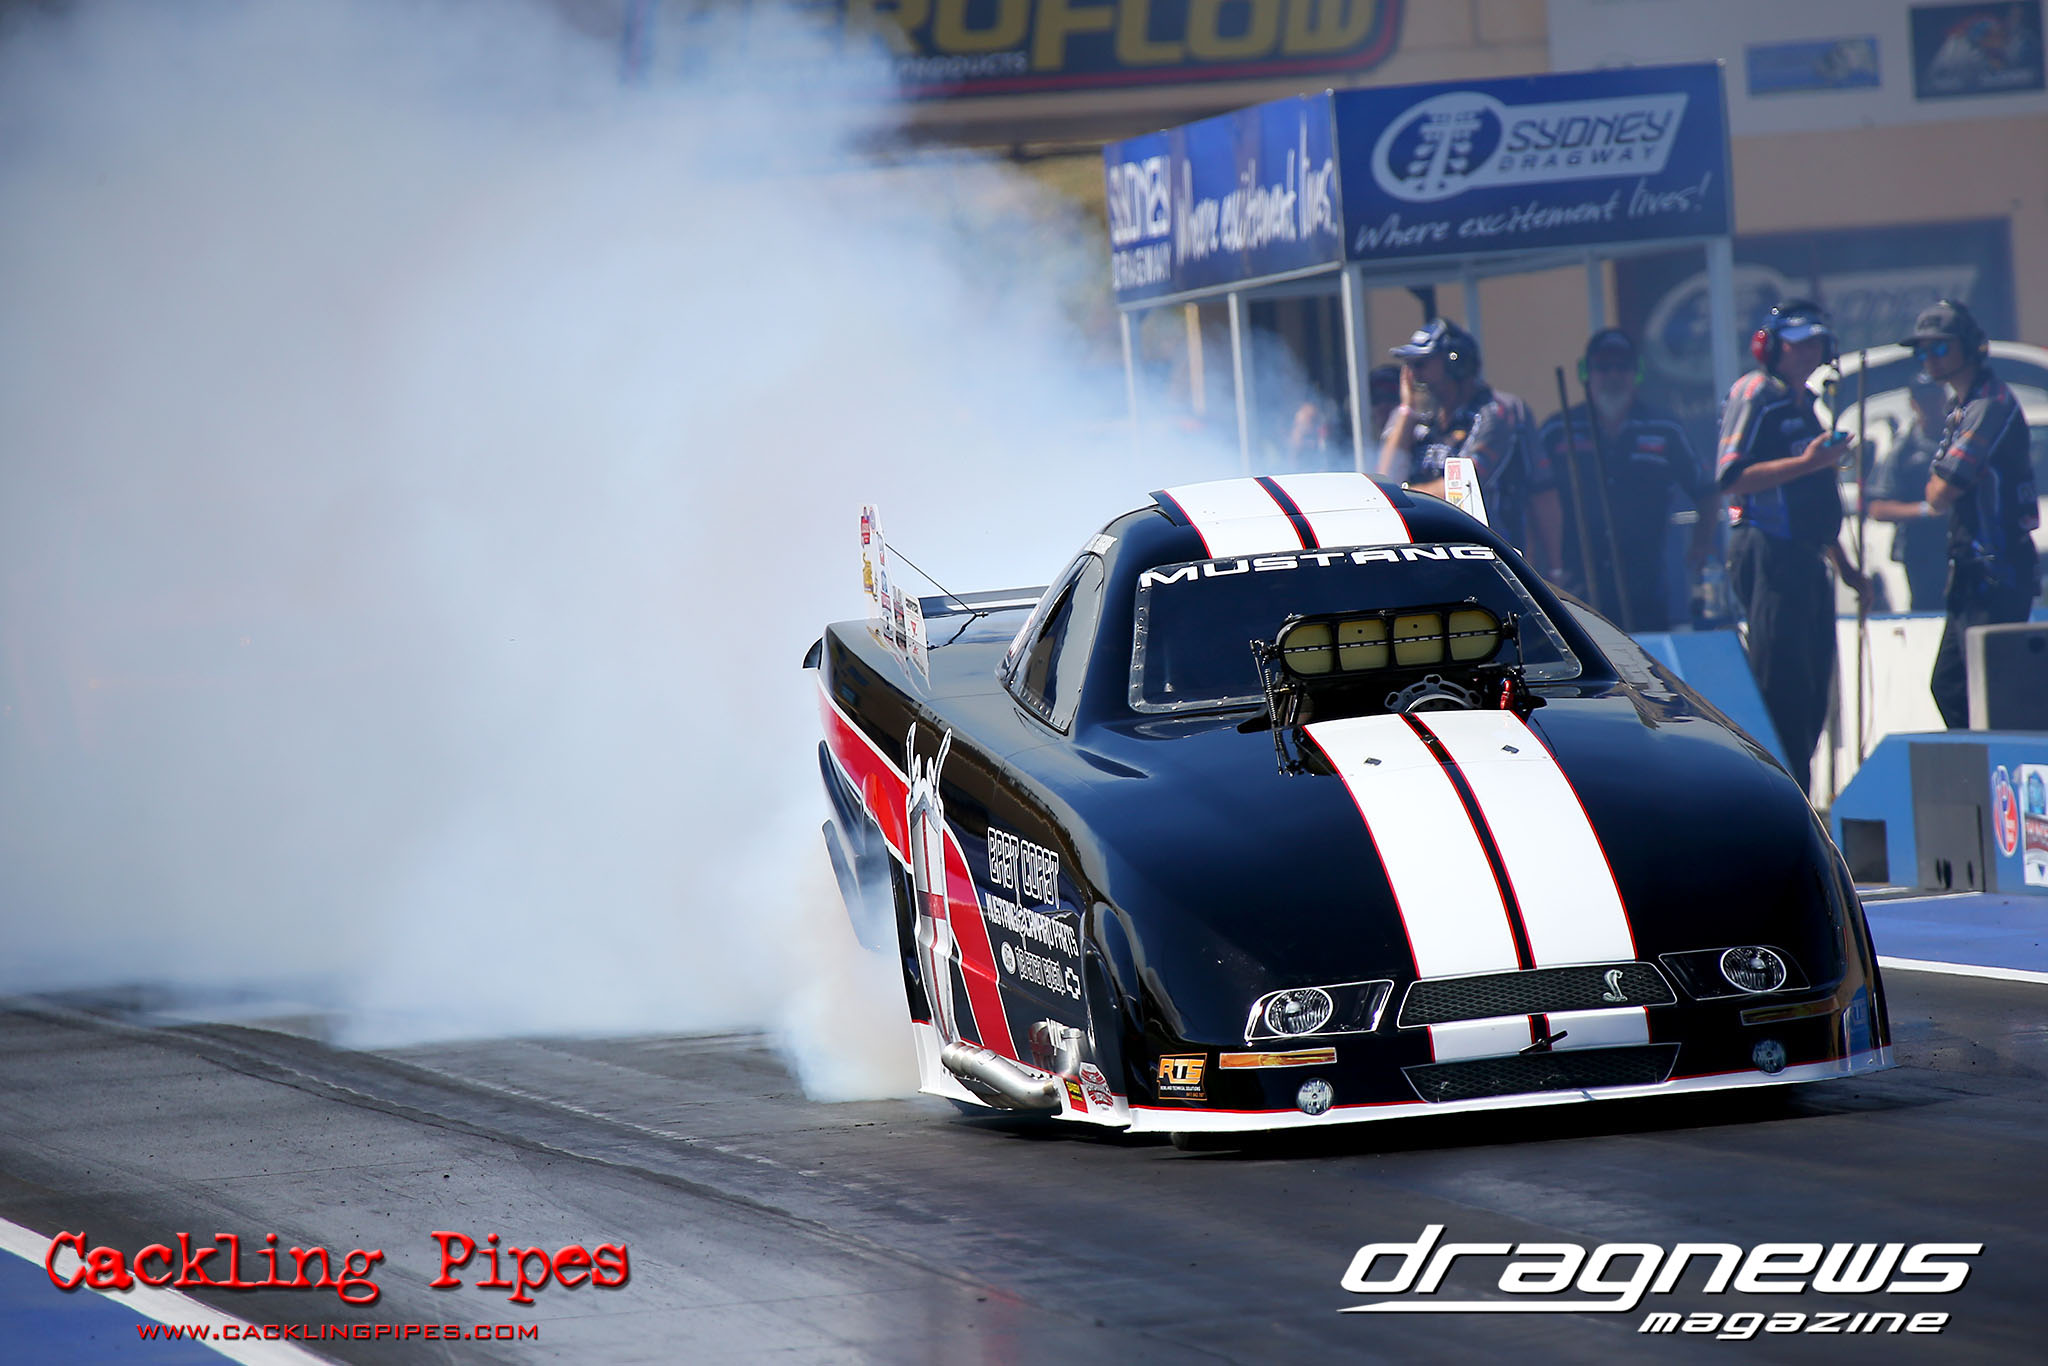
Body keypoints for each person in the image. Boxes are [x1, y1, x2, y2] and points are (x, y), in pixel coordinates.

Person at [1715, 298, 1868, 796]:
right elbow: (1730, 476)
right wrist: (1808, 462)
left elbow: (1816, 498)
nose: (1807, 353)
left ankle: (1800, 790)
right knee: (1781, 686)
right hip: (1769, 553)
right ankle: (1782, 795)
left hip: (1808, 559)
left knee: (1813, 689)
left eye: (1815, 344)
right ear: (1772, 347)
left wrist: (1846, 567)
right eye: (1797, 345)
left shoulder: (1807, 406)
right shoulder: (1755, 393)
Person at [1900, 299, 2041, 727]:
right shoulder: (1959, 409)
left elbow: (1940, 492)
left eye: (1940, 348)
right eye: (1922, 351)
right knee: (1950, 685)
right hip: (1969, 571)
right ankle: (1977, 765)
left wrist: (1941, 484)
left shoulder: (1988, 404)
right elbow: (1937, 491)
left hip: (1996, 569)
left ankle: (2002, 768)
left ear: (1972, 347)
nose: (1929, 358)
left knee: (1989, 691)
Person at [1538, 328, 1716, 630]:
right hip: (1576, 579)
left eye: (1622, 367)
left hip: (1647, 580)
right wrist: (1546, 565)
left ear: (1637, 373)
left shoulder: (1665, 428)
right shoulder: (1558, 430)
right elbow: (1536, 499)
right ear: (1586, 373)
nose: (1613, 375)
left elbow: (1707, 489)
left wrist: (1701, 545)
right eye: (1603, 367)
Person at [1379, 320, 1560, 569]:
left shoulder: (1495, 411)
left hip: (1490, 559)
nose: (1412, 376)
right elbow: (1384, 481)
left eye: (1420, 364)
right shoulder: (1411, 416)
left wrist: (1401, 495)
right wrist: (1407, 411)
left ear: (1456, 363)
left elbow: (1461, 486)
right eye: (1408, 366)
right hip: (1426, 558)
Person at [1864, 374, 1956, 611]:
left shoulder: (1961, 438)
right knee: (1929, 608)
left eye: (1936, 397)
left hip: (1962, 542)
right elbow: (1878, 508)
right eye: (1924, 399)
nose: (1931, 405)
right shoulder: (1903, 449)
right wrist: (1927, 510)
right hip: (1922, 549)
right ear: (1914, 404)